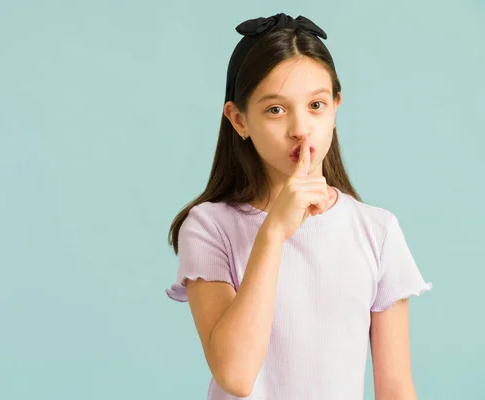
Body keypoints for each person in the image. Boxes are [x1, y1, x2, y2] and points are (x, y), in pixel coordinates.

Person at [164, 12, 434, 400]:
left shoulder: (377, 231)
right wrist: (273, 232)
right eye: (276, 109)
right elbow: (236, 376)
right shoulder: (209, 227)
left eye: (316, 105)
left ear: (336, 107)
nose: (300, 128)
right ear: (239, 120)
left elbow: (395, 389)